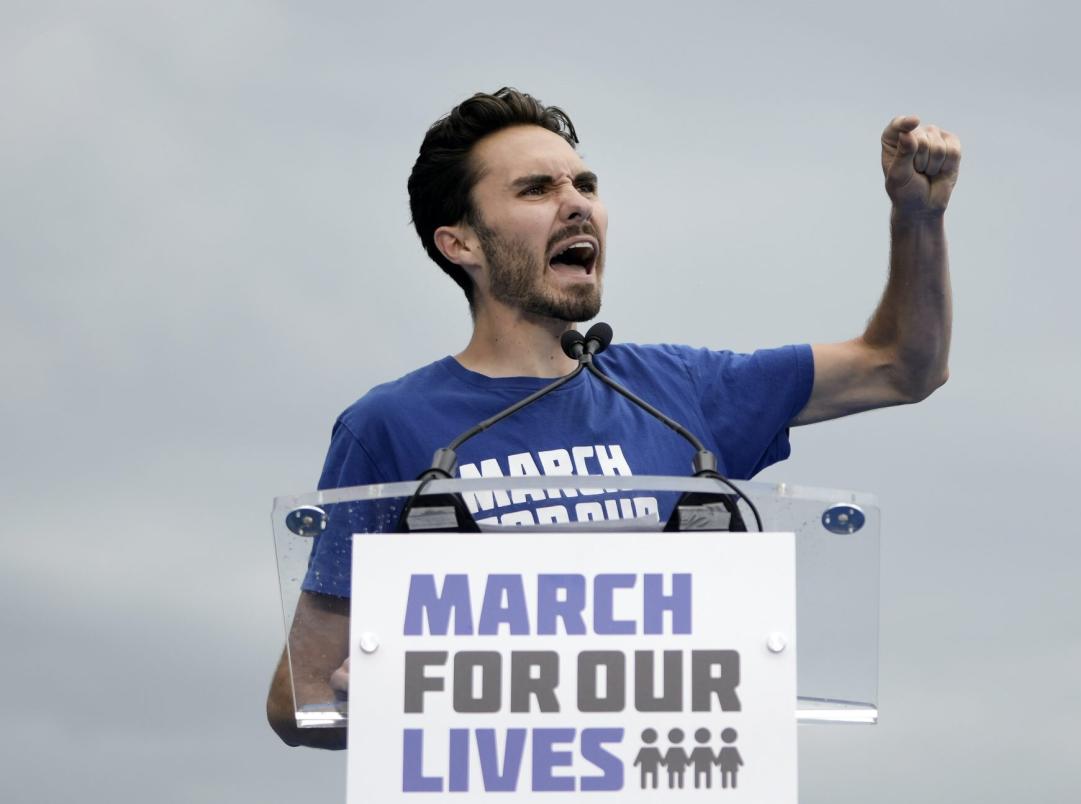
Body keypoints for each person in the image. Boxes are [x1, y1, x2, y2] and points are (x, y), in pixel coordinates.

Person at [266, 87, 960, 749]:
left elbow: (903, 366)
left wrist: (919, 218)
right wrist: (378, 696)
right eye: (536, 190)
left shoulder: (679, 389)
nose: (576, 205)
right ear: (461, 244)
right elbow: (298, 699)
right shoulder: (389, 425)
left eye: (585, 186)